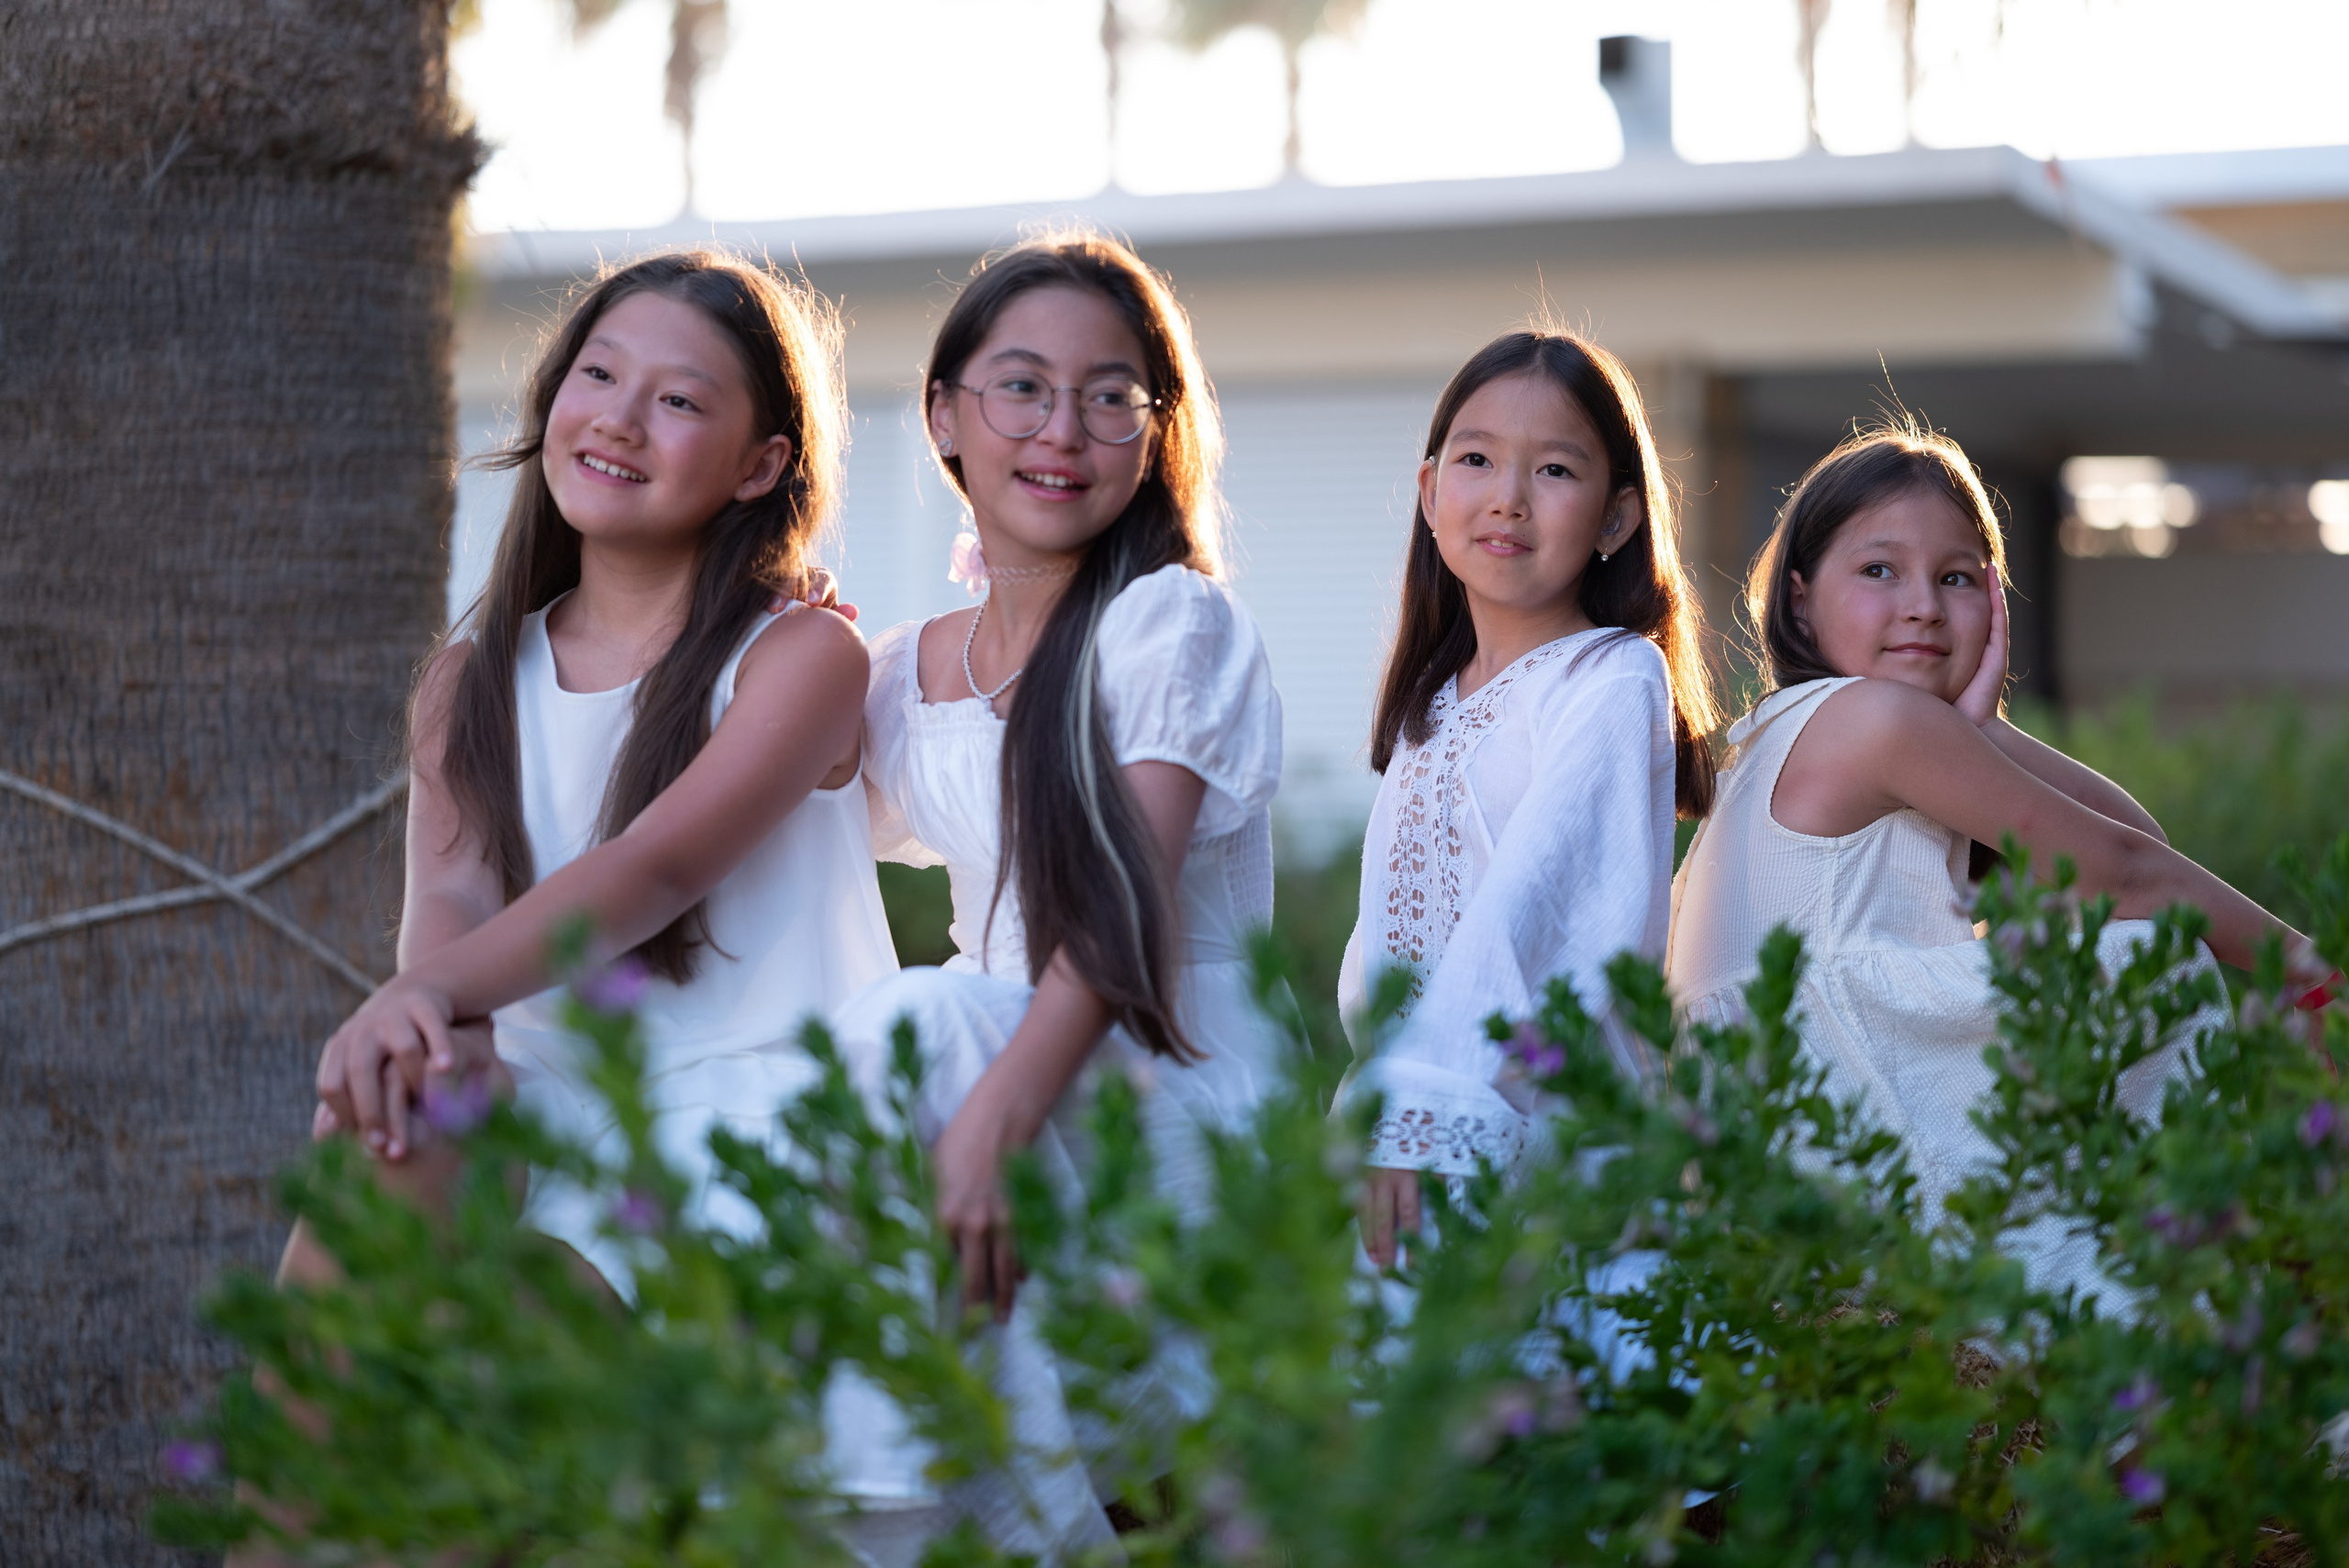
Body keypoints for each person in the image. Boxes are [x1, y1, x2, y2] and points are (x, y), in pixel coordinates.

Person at [290, 249, 893, 1292]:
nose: (620, 418)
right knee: (393, 1133)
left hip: (740, 1106)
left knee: (527, 1331)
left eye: (679, 400)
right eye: (600, 374)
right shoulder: (470, 678)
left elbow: (652, 869)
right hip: (542, 1084)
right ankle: (286, 1459)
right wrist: (440, 1026)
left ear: (758, 466)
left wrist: (414, 997)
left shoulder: (801, 656)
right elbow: (451, 888)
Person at [819, 231, 1284, 1566]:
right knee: (896, 1033)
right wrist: (777, 636)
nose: (1062, 429)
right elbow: (781, 858)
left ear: (1155, 429)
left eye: (1110, 394)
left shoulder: (1170, 625)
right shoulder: (901, 671)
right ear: (945, 416)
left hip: (1155, 1096)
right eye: (1021, 386)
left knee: (925, 1021)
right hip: (999, 1087)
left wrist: (989, 1122)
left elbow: (1122, 911)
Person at [1666, 423, 2312, 1293]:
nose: (1925, 605)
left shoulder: (1779, 733)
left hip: (1783, 1144)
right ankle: (2185, 1282)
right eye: (1879, 570)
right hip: (1843, 1135)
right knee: (2154, 958)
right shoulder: (1872, 722)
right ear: (1800, 599)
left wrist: (1983, 725)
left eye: (1959, 578)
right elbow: (2130, 871)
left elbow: (2133, 848)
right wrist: (2311, 976)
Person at [1340, 328, 1720, 1270]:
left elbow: (1537, 911)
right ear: (1430, 492)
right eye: (1476, 460)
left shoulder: (1611, 675)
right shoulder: (1429, 706)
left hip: (1540, 1140)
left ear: (1616, 517)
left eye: (1553, 468)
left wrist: (1422, 1115)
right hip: (1407, 1129)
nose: (1507, 496)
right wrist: (1380, 1105)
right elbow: (1387, 952)